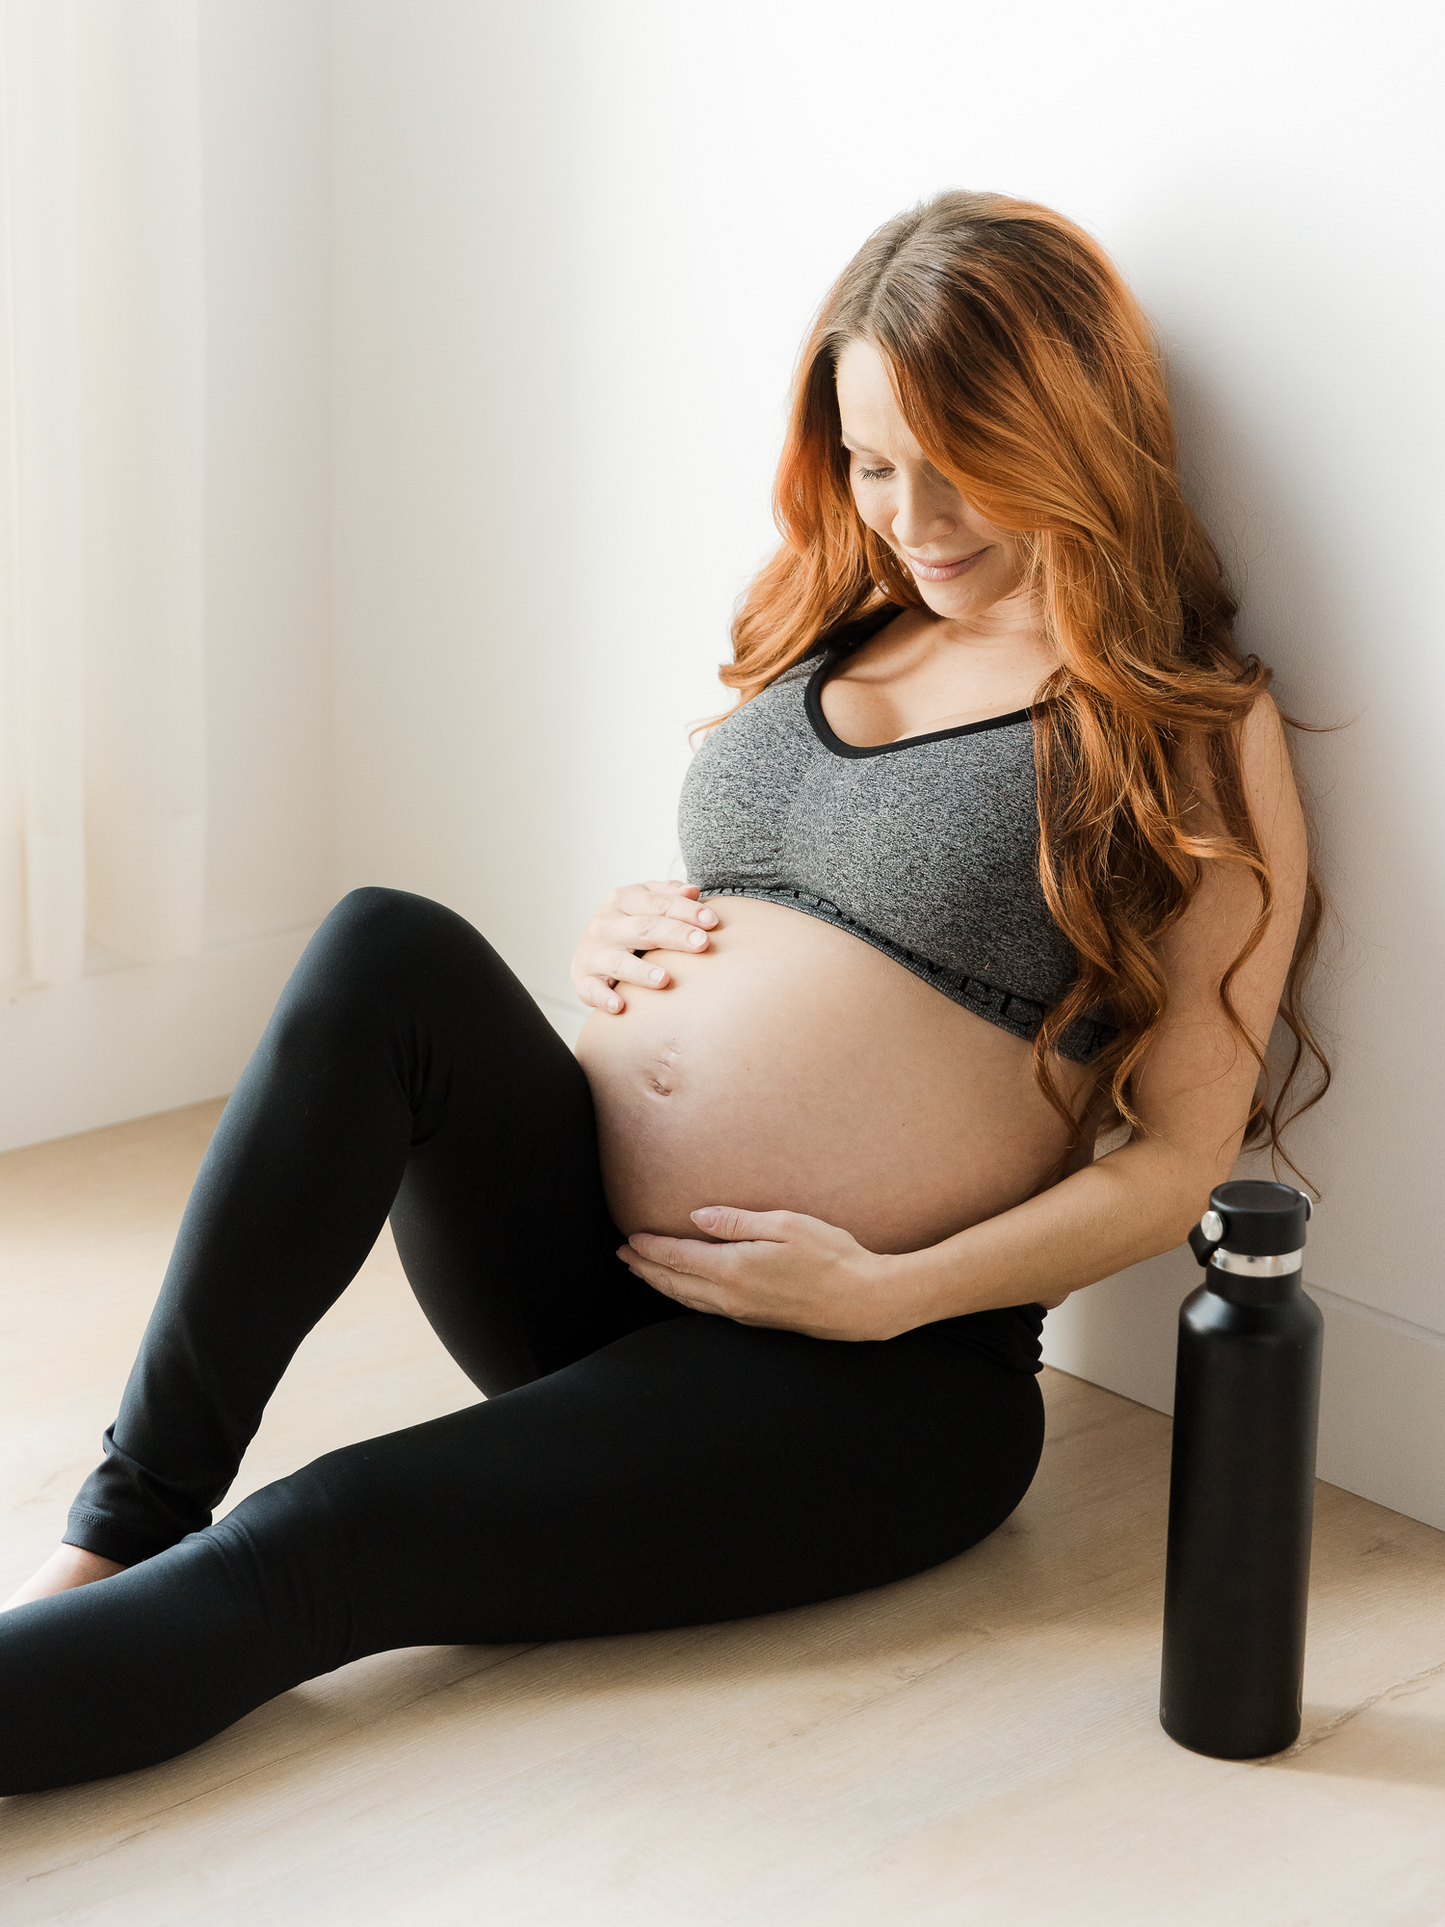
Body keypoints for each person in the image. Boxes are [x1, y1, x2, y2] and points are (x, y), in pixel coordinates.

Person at [0, 190, 1326, 1793]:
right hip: (605, 1272)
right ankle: (119, 1527)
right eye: (870, 459)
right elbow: (779, 929)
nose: (910, 512)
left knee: (331, 1532)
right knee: (383, 944)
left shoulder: (1181, 728)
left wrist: (891, 1293)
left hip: (871, 1385)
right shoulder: (846, 626)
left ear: (1068, 423)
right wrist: (626, 953)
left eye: (955, 459)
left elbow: (1181, 1164)